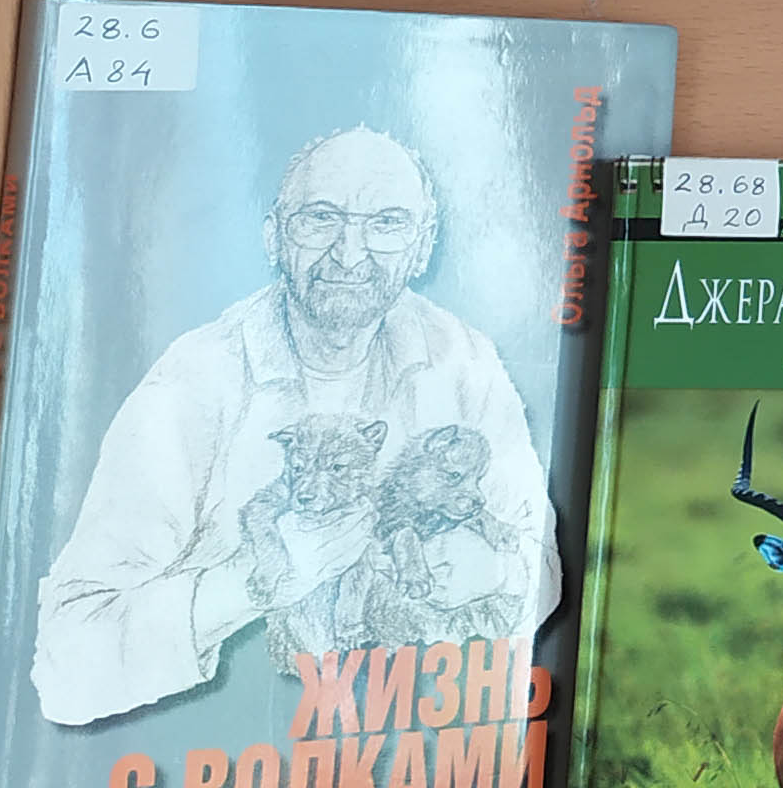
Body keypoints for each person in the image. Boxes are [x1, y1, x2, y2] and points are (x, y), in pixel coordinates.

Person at [30, 127, 555, 725]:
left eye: (386, 224)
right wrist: (254, 582)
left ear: (422, 246)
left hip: (423, 731)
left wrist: (495, 570)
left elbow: (544, 559)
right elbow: (67, 666)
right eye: (321, 219)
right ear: (275, 236)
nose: (350, 255)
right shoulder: (193, 383)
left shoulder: (463, 358)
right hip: (235, 744)